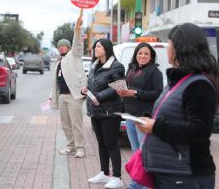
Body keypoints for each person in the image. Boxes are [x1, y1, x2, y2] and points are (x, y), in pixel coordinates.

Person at [137, 23, 219, 189]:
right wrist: (149, 120)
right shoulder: (179, 81)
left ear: (180, 48)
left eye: (169, 43)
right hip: (171, 171)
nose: (167, 48)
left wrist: (156, 126)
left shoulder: (198, 85)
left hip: (185, 174)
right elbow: (173, 114)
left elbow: (200, 130)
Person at [116, 42, 163, 189]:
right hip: (129, 115)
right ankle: (138, 183)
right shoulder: (131, 69)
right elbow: (127, 88)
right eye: (140, 53)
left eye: (146, 54)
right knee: (136, 153)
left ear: (151, 56)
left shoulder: (155, 72)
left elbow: (157, 93)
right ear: (136, 55)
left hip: (143, 117)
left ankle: (145, 185)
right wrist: (122, 91)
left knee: (145, 152)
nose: (142, 56)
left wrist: (135, 93)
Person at [82, 38, 125, 189]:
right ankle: (104, 173)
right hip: (96, 111)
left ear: (106, 48)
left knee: (111, 144)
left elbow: (119, 86)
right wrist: (85, 90)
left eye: (98, 46)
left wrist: (100, 96)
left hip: (110, 111)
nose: (95, 49)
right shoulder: (94, 66)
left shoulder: (116, 66)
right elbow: (91, 84)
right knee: (101, 143)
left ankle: (118, 177)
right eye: (95, 47)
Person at [50, 13, 87, 158]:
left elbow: (78, 43)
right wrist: (52, 97)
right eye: (60, 47)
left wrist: (77, 30)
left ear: (69, 47)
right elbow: (56, 83)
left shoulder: (74, 55)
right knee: (65, 124)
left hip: (74, 96)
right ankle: (70, 146)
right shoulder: (59, 63)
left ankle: (80, 148)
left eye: (64, 46)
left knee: (76, 124)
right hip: (62, 97)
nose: (62, 48)